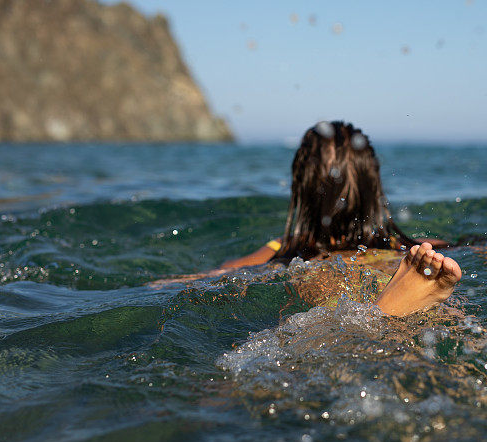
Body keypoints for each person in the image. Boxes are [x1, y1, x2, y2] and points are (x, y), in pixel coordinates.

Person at [156, 121, 462, 316]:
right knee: (448, 322)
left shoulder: (280, 249)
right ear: (374, 188)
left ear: (301, 189)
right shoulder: (417, 250)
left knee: (317, 340)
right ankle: (396, 309)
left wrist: (162, 283)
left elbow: (212, 278)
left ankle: (385, 314)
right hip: (388, 264)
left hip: (319, 276)